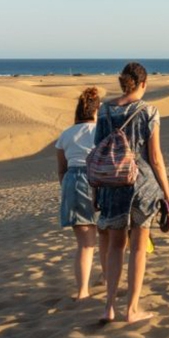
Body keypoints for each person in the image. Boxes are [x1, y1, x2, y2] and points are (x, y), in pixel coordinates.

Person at [95, 62, 169, 324]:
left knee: (115, 246)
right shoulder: (149, 111)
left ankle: (109, 307)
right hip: (142, 186)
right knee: (139, 248)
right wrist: (167, 194)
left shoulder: (105, 110)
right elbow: (155, 157)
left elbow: (98, 149)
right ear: (143, 83)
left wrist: (97, 188)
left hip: (112, 185)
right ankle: (131, 310)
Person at [56, 87, 104, 301]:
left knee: (85, 244)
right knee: (106, 236)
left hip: (72, 183)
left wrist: (67, 190)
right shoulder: (102, 131)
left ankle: (83, 291)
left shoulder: (66, 134)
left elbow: (61, 170)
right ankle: (105, 278)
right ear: (98, 109)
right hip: (100, 181)